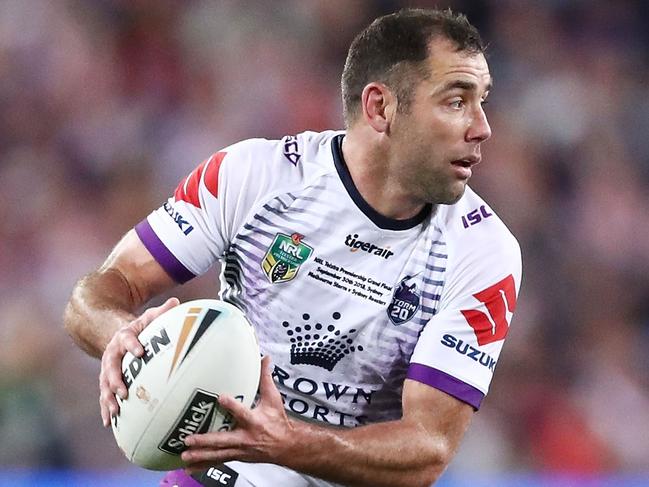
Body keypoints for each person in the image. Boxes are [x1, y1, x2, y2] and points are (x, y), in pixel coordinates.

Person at [64, 8, 522, 487]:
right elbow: (99, 292)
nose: (482, 127)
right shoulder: (255, 177)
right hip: (227, 471)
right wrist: (119, 334)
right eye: (455, 101)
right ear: (380, 108)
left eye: (481, 101)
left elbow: (428, 450)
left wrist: (287, 444)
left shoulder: (483, 251)